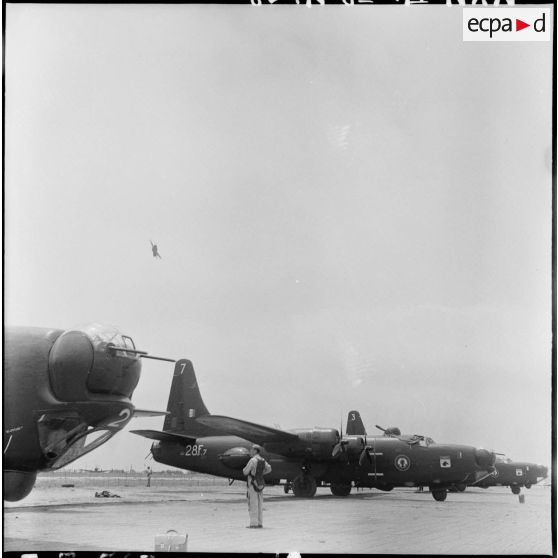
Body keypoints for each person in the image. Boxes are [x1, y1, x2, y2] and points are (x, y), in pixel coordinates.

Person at [242, 444, 271, 528]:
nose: (250, 451)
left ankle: (253, 524)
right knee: (259, 504)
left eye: (251, 450)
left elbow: (245, 472)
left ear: (255, 450)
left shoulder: (252, 460)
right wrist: (261, 474)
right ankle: (259, 523)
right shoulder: (262, 460)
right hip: (260, 483)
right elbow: (269, 468)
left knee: (253, 503)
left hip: (252, 484)